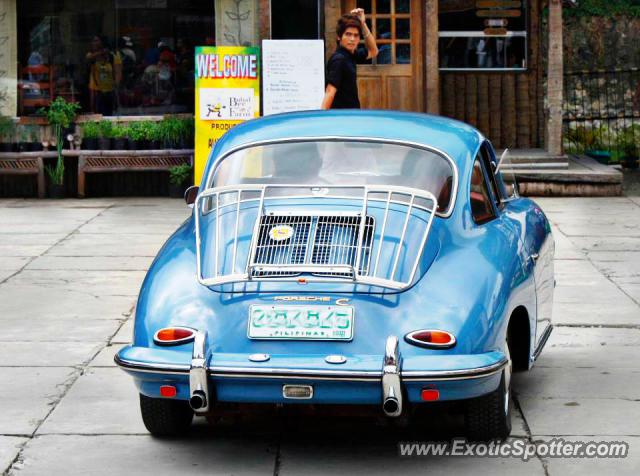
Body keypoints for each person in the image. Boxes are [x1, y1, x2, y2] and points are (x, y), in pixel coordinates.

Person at [321, 8, 378, 109]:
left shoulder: (351, 55)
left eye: (356, 35)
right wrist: (321, 118)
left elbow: (374, 51)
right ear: (339, 37)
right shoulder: (339, 59)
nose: (352, 39)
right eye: (348, 34)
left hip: (351, 114)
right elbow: (330, 92)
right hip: (342, 117)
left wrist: (363, 24)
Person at [86, 36, 122, 115]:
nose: (94, 43)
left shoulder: (113, 55)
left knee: (109, 114)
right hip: (97, 90)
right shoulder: (92, 55)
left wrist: (116, 86)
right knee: (97, 114)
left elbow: (118, 72)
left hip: (110, 90)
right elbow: (88, 58)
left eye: (96, 41)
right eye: (93, 41)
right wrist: (101, 52)